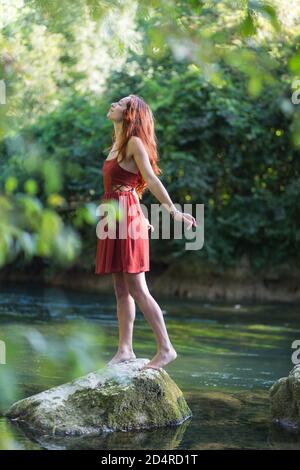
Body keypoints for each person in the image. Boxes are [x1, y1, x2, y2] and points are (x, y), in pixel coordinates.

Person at [95, 94, 197, 371]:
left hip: (125, 219)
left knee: (137, 288)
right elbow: (127, 185)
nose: (113, 104)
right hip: (115, 216)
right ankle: (125, 349)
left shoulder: (134, 143)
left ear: (130, 113)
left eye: (120, 103)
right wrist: (139, 212)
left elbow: (150, 179)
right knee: (120, 288)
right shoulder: (115, 145)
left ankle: (166, 349)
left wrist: (173, 212)